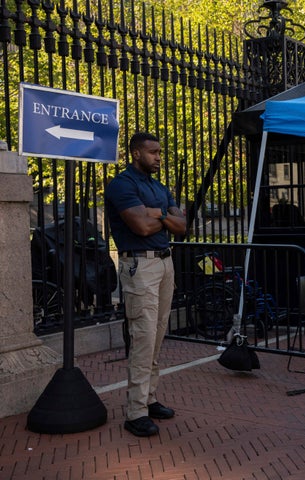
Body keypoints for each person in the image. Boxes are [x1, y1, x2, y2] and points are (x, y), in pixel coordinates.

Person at [104, 132, 187, 437]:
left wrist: (158, 214)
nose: (158, 157)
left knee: (157, 334)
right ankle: (135, 411)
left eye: (160, 152)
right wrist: (164, 217)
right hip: (140, 265)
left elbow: (182, 226)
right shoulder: (123, 184)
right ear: (136, 153)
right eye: (153, 152)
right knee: (142, 335)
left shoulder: (159, 187)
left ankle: (149, 399)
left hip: (165, 263)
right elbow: (139, 226)